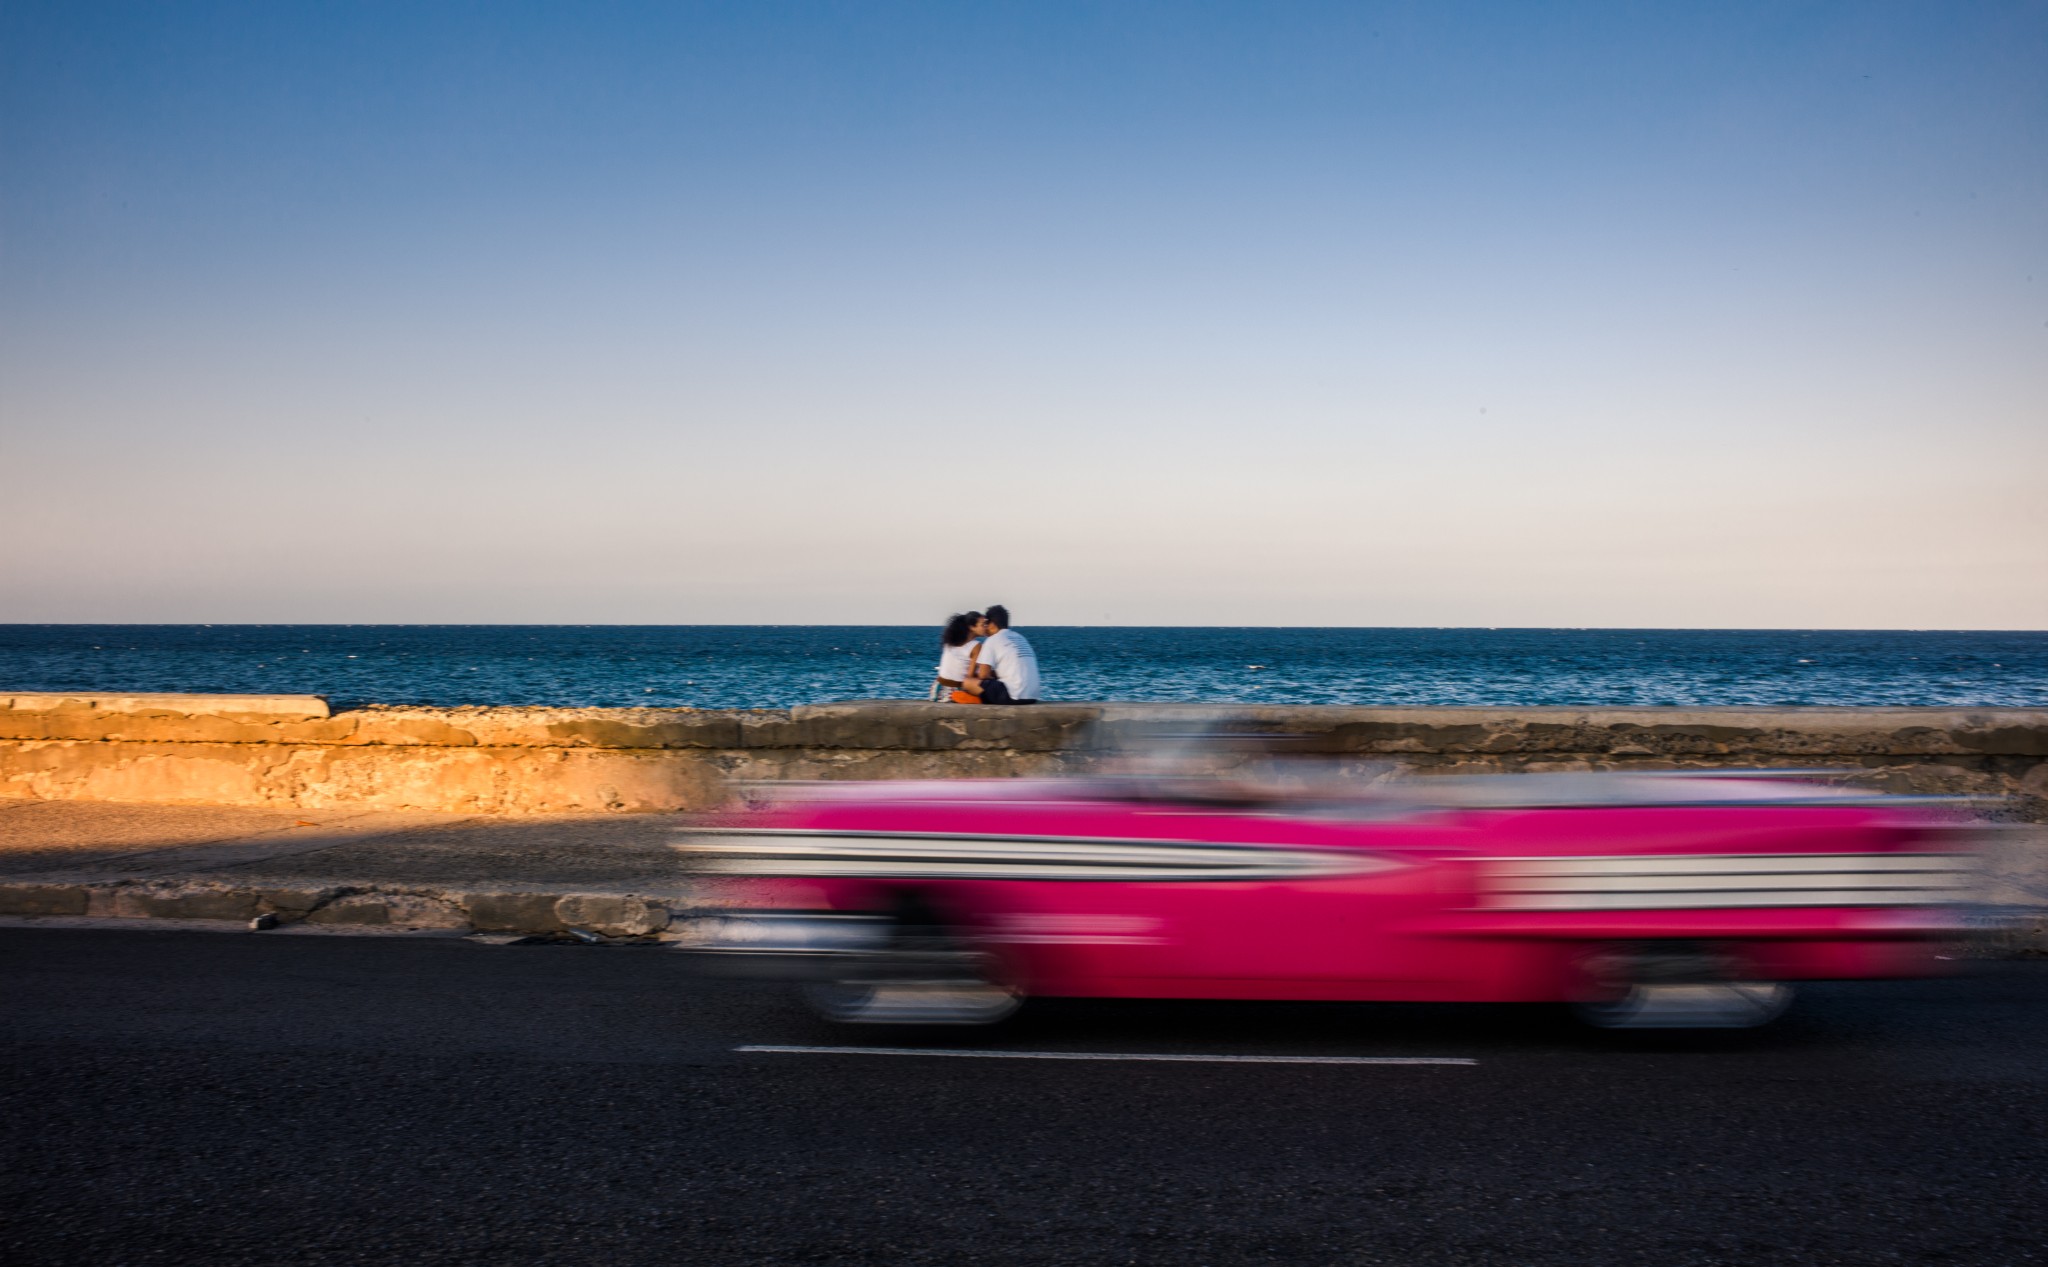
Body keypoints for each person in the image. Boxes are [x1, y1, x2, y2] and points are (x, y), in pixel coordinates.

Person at [968, 604, 1041, 704]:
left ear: (992, 623)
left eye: (986, 623)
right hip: (1032, 697)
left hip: (1012, 696)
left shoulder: (992, 640)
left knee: (968, 682)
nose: (985, 627)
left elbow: (983, 674)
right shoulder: (1020, 638)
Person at [933, 612, 984, 704]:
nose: (985, 627)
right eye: (982, 624)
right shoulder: (976, 646)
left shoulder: (950, 641)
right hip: (954, 692)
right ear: (972, 627)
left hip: (937, 690)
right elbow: (969, 678)